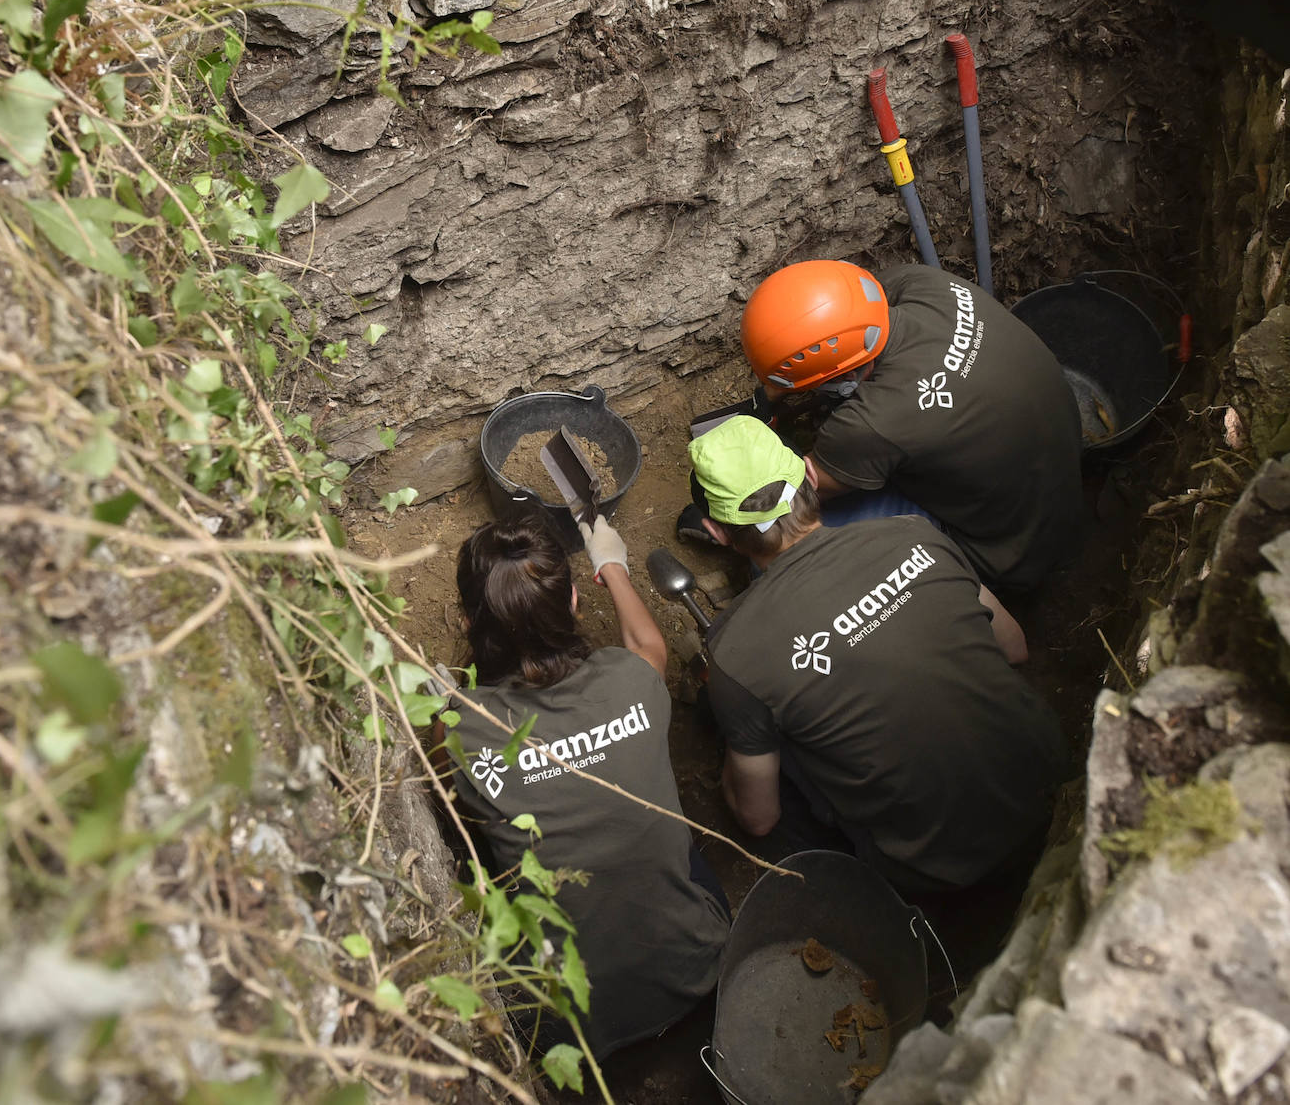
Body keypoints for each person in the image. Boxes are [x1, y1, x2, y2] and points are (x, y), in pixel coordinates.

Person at [688, 414, 1067, 900]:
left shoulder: (734, 655)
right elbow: (1014, 648)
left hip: (940, 873)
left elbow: (758, 820)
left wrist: (731, 732)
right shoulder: (914, 535)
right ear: (808, 473)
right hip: (1058, 794)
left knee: (770, 753)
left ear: (716, 533)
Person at [441, 510, 730, 1061]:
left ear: (465, 624)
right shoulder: (632, 681)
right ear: (573, 601)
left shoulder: (464, 726)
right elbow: (652, 649)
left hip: (565, 1030)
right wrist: (613, 566)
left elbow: (447, 789)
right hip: (698, 968)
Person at [740, 259, 1083, 593]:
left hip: (1004, 551)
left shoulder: (869, 424)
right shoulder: (922, 283)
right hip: (1057, 471)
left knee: (779, 540)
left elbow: (798, 494)